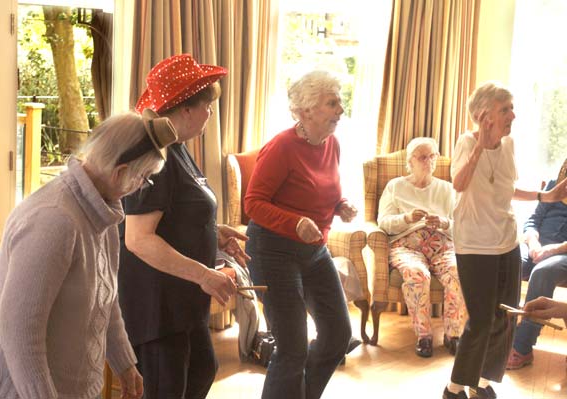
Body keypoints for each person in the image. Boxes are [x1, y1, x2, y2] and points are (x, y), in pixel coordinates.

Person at [0, 110, 178, 399]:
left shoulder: (103, 212)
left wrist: (124, 363)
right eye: (144, 178)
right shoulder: (54, 220)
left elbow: (106, 298)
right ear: (121, 172)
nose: (141, 186)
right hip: (9, 390)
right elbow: (19, 330)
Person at [118, 54, 249, 399]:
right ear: (186, 109)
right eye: (208, 107)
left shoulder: (176, 148)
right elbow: (138, 239)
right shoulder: (152, 152)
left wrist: (213, 232)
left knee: (203, 370)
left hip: (183, 301)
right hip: (158, 306)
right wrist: (206, 275)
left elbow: (177, 213)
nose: (210, 114)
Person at [442, 81, 567, 399]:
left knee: (504, 316)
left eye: (511, 107)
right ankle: (454, 387)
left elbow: (506, 188)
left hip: (507, 241)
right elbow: (458, 183)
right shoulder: (466, 143)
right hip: (475, 244)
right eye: (505, 109)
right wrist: (480, 147)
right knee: (482, 319)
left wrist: (545, 195)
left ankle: (482, 383)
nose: (513, 114)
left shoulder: (509, 144)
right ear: (485, 115)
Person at [244, 70, 357, 399]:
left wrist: (341, 205)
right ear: (306, 110)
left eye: (339, 102)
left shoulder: (331, 144)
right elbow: (253, 203)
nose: (340, 110)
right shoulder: (281, 147)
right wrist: (294, 223)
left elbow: (322, 191)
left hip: (314, 251)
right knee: (292, 348)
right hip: (272, 251)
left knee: (338, 334)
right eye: (332, 103)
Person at [378, 137, 466, 358]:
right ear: (411, 161)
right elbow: (384, 222)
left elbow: (462, 227)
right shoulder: (395, 186)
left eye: (433, 156)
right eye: (423, 157)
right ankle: (424, 336)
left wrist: (444, 223)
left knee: (458, 272)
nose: (429, 161)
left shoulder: (447, 189)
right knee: (418, 275)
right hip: (407, 246)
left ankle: (453, 334)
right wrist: (406, 218)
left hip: (441, 245)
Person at [505, 163, 567, 369]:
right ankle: (500, 337)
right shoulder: (554, 185)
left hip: (562, 254)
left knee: (542, 272)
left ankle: (522, 347)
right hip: (538, 248)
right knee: (508, 259)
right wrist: (534, 244)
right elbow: (532, 221)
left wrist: (552, 250)